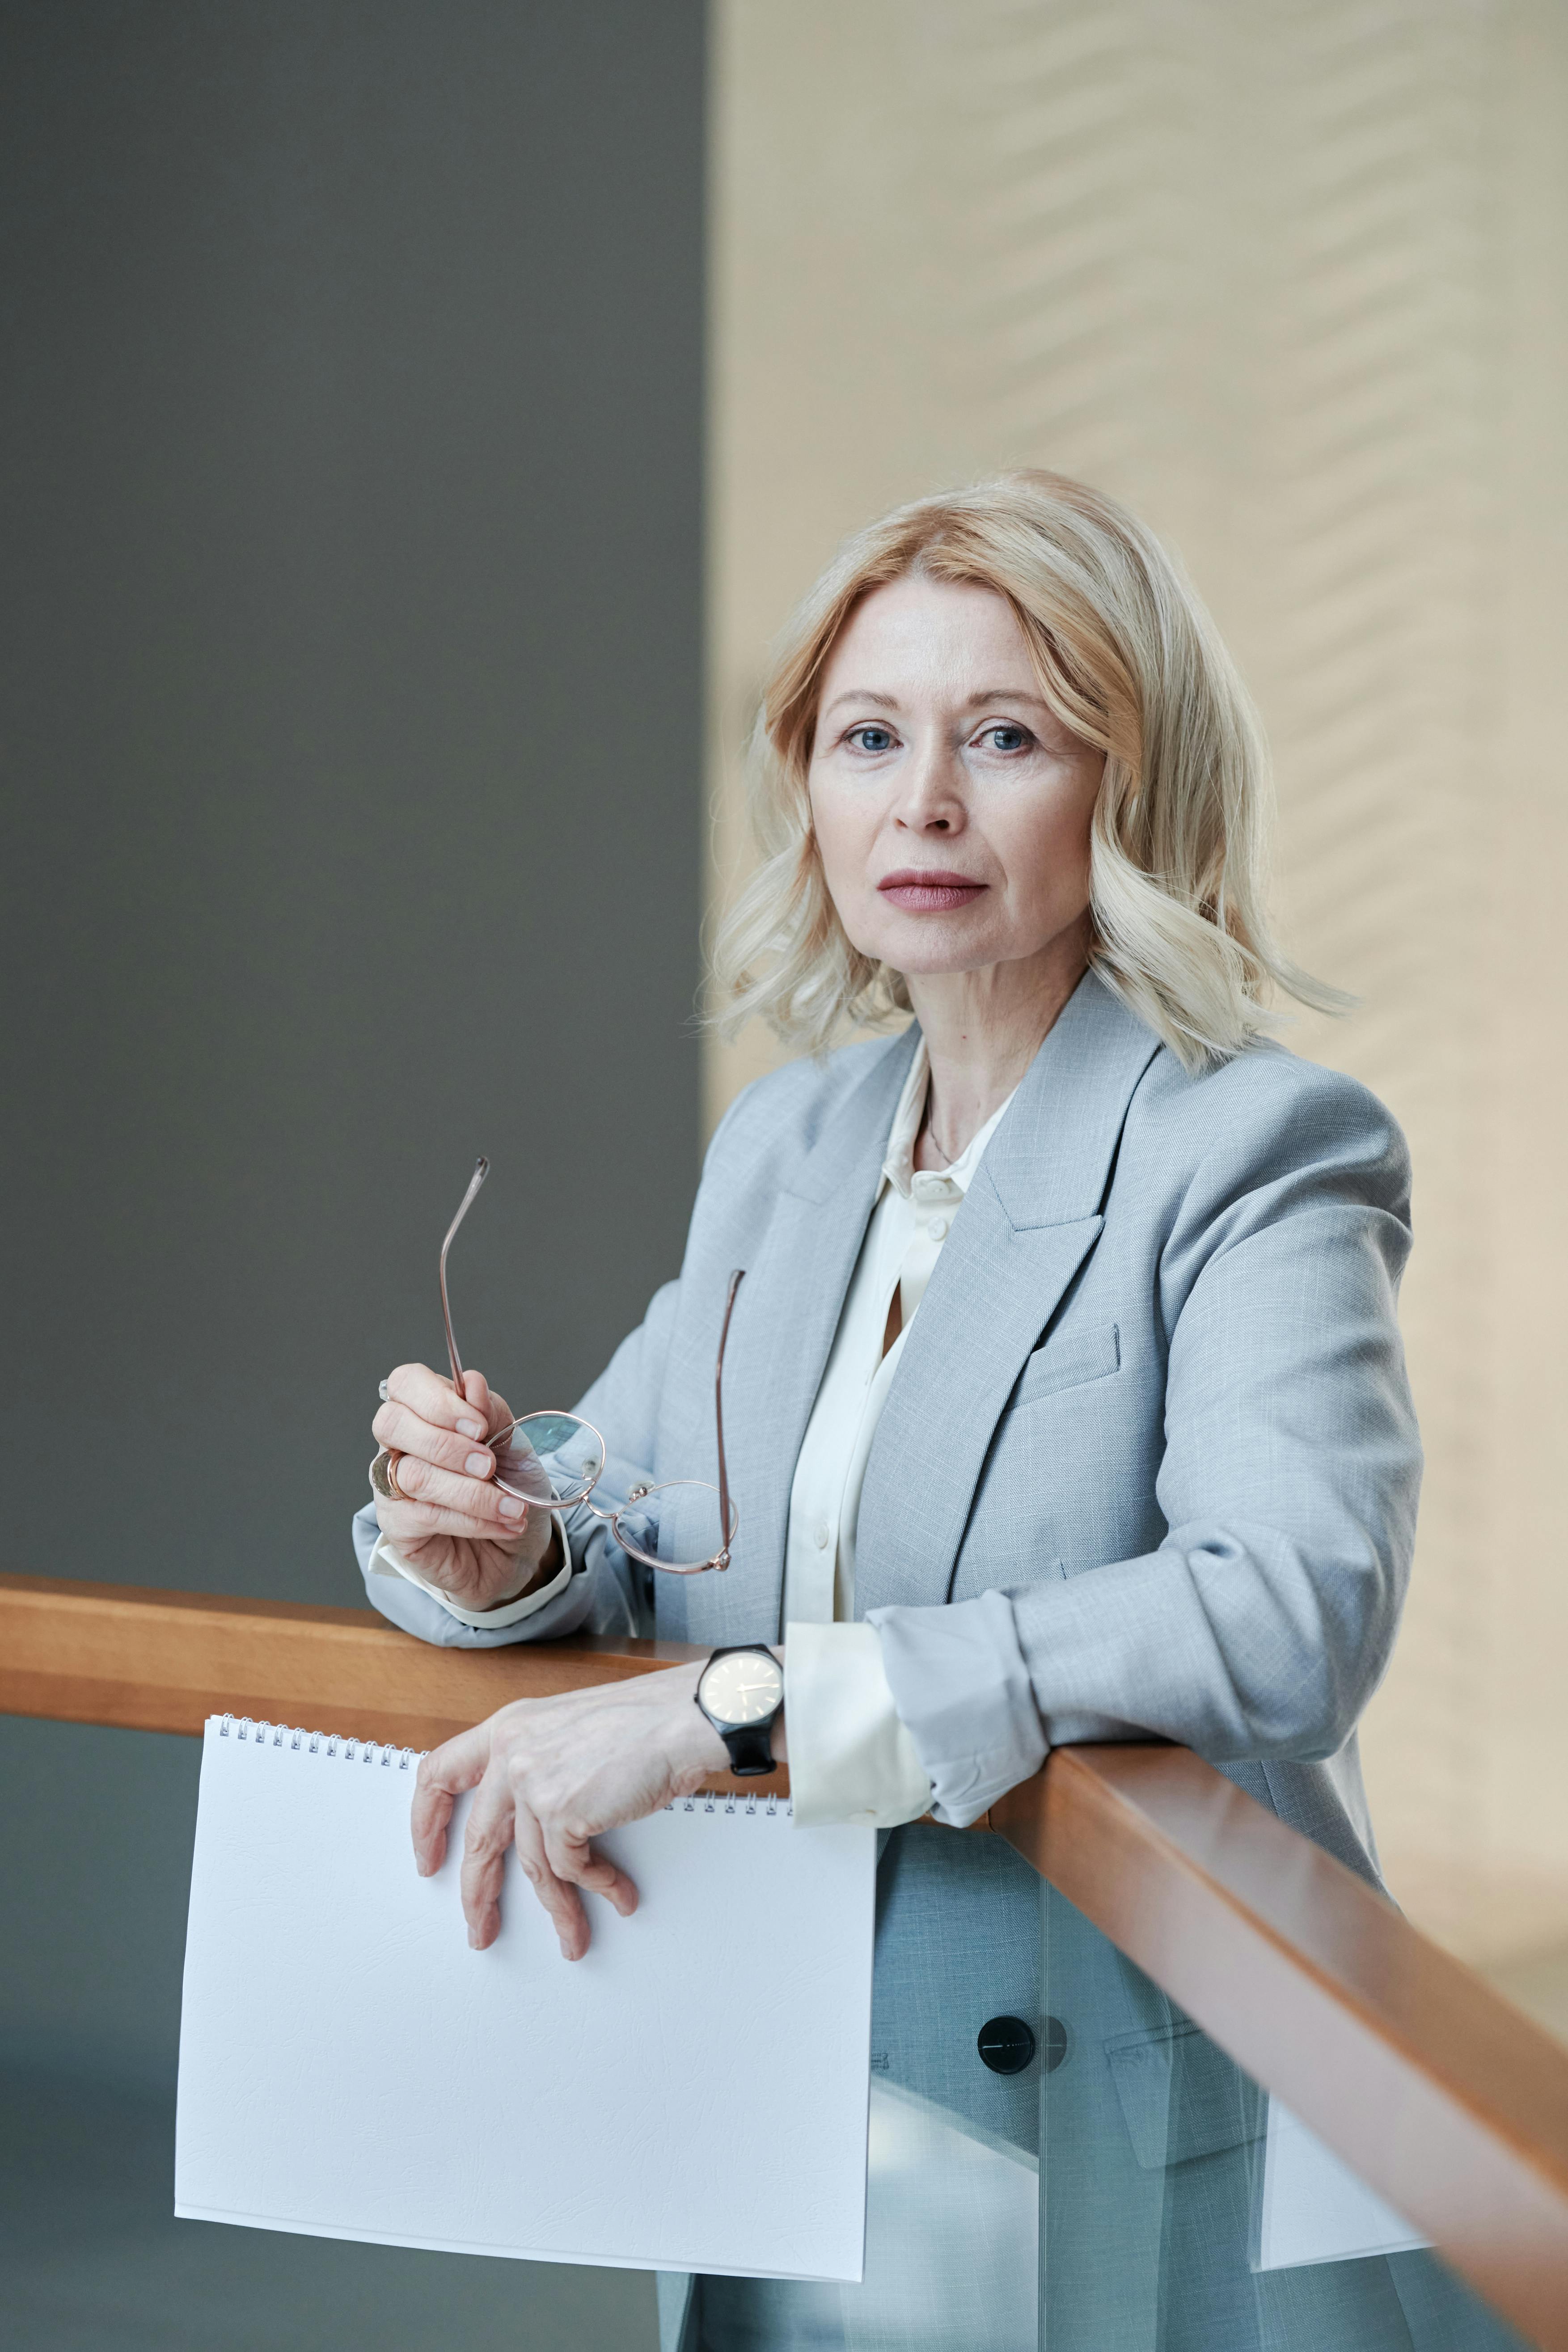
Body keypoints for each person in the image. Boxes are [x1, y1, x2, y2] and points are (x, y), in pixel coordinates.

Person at [352, 474, 1499, 2351]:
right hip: (754, 2091)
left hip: (1082, 2135)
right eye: (870, 736)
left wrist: (746, 1707)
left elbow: (1291, 1605)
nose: (925, 803)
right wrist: (504, 1532)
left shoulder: (1251, 1144)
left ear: (1130, 785)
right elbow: (637, 1521)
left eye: (1008, 737)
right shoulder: (792, 1139)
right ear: (807, 778)